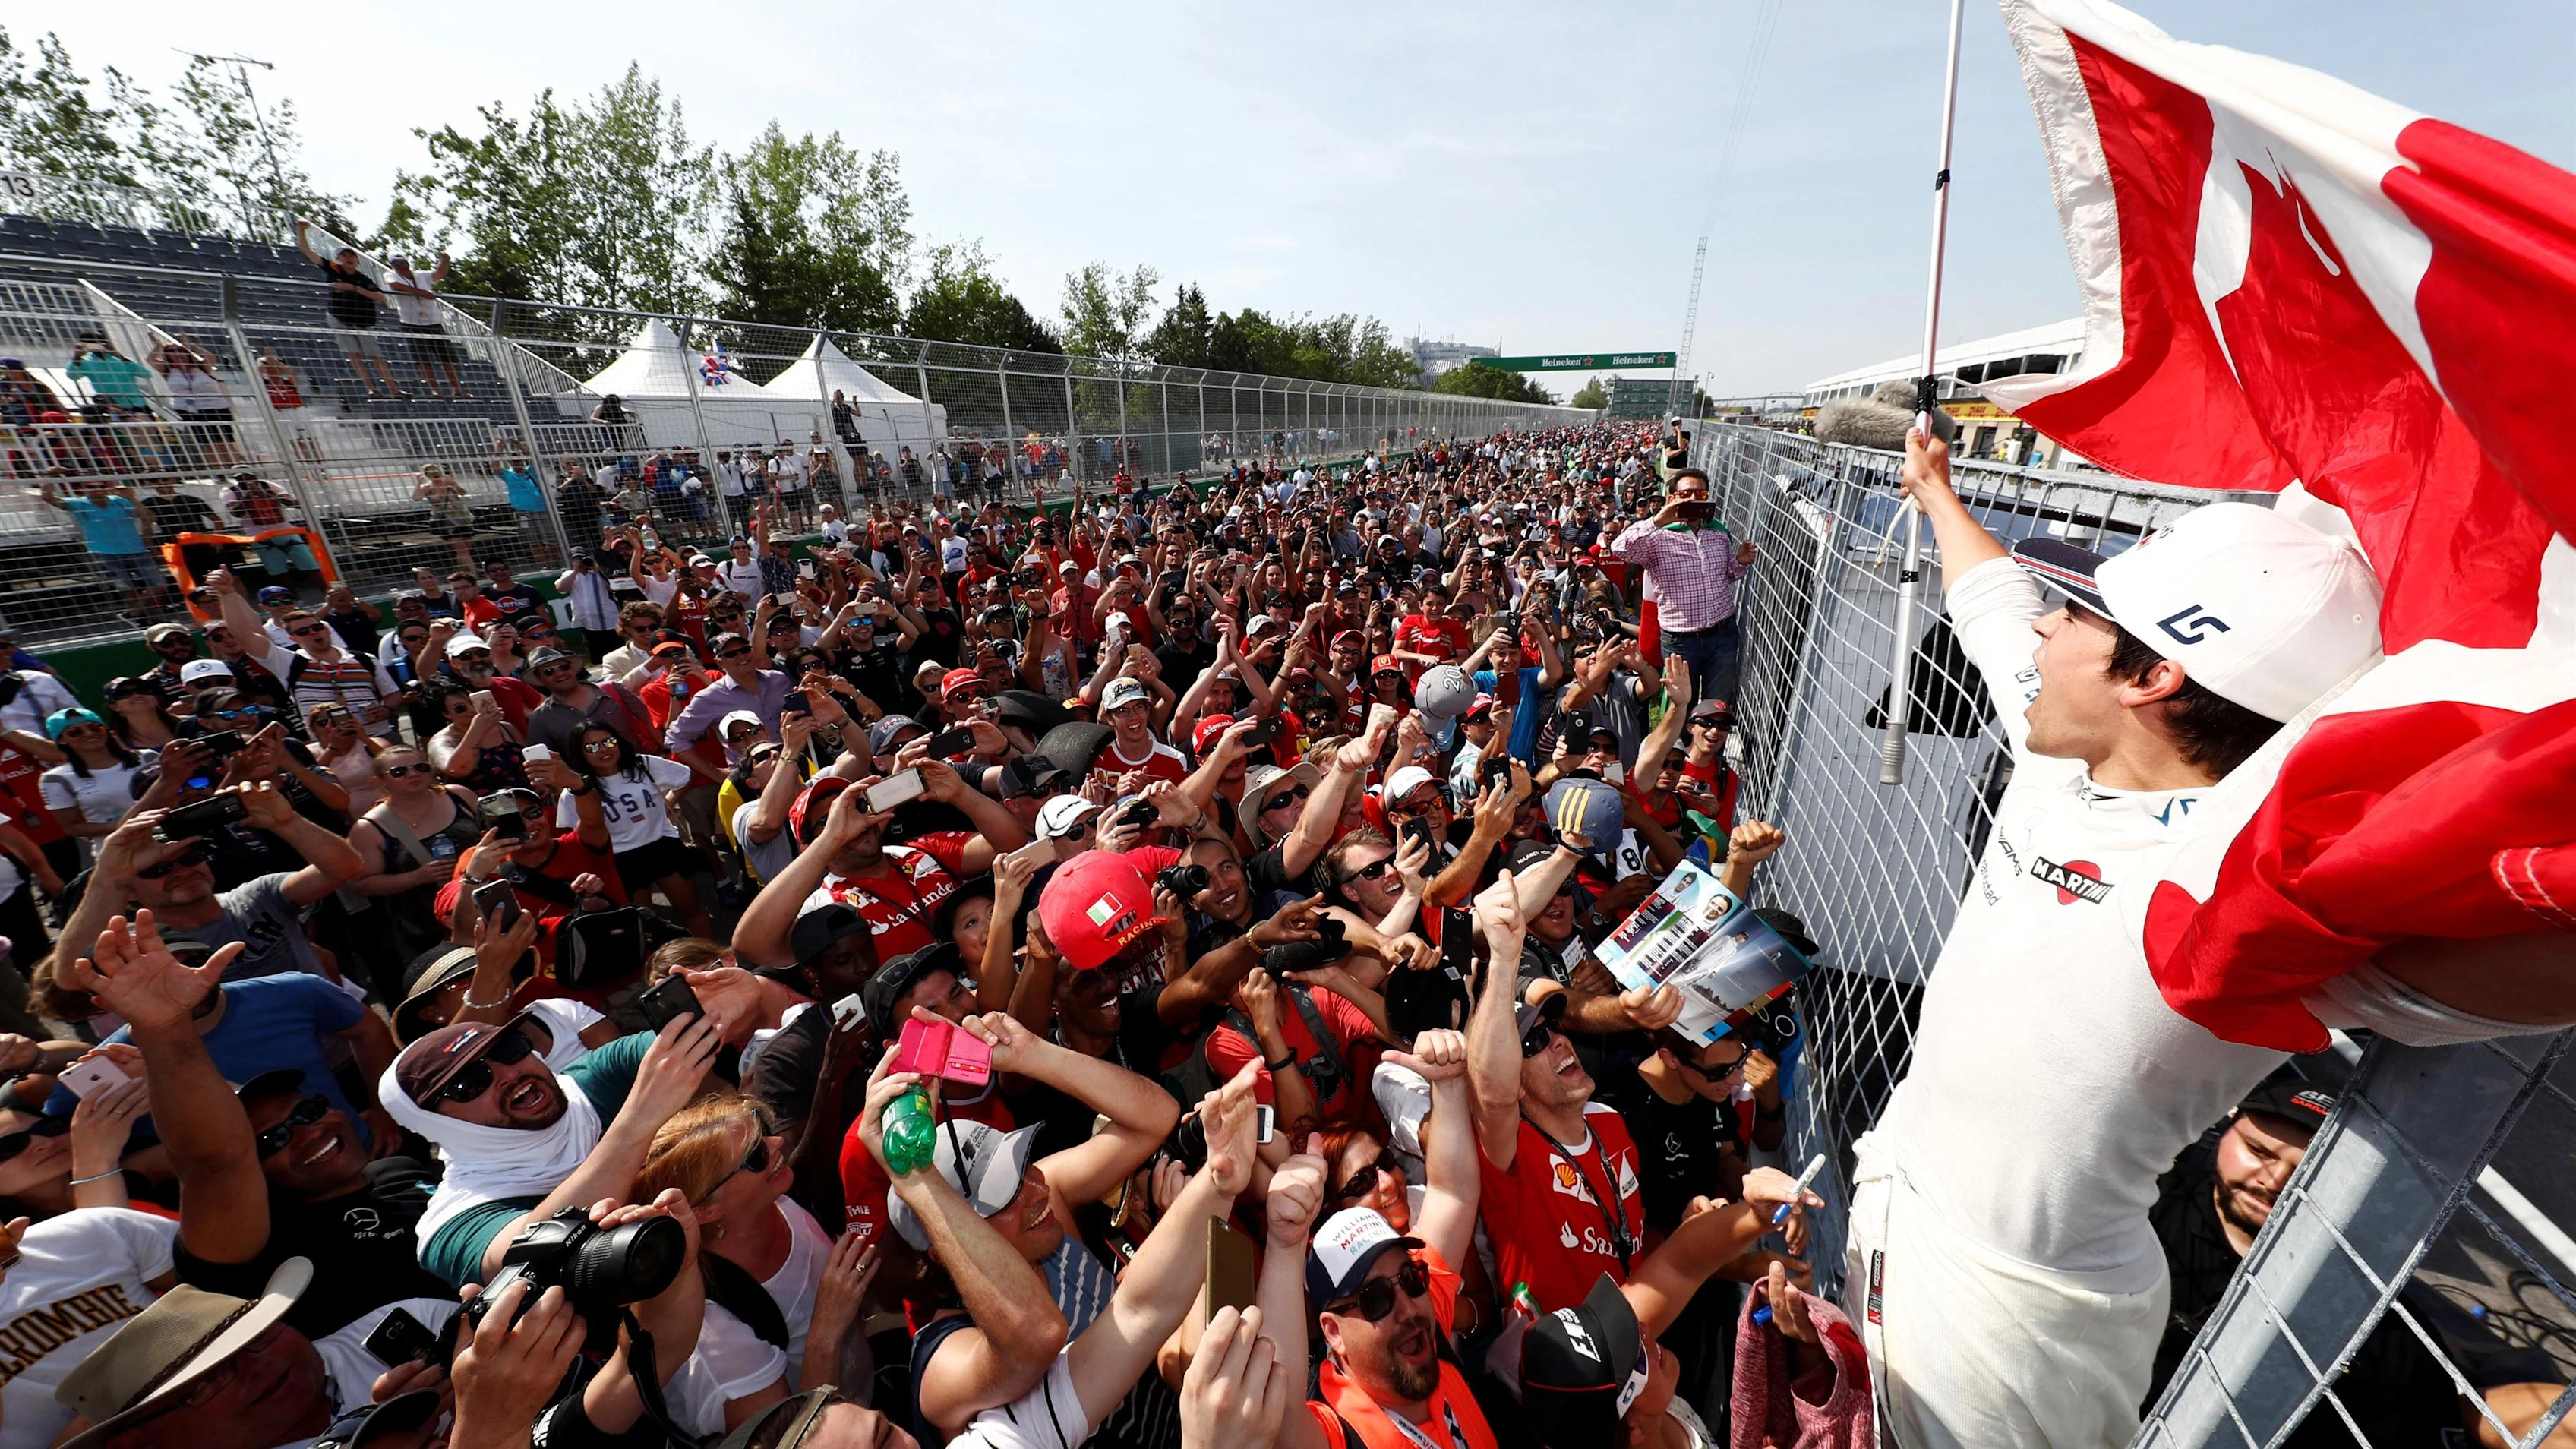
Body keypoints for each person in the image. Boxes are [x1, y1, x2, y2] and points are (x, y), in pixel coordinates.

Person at [1848, 428, 2387, 1447]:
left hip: (2009, 1342)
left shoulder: (2259, 896)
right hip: (1897, 1232)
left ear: (2153, 679)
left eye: (2080, 613)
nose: (2046, 629)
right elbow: (1990, 605)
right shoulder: (2072, 757)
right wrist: (1935, 494)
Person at [375, 1003, 721, 1285]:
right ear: (435, 1123)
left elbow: (719, 1018)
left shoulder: (594, 1079)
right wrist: (638, 1121)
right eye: (469, 1082)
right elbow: (531, 1250)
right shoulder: (453, 1224)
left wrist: (723, 992)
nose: (509, 1075)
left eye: (509, 1049)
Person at [1608, 469, 1754, 706]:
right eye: (1686, 494)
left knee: (1716, 705)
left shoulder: (1718, 531)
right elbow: (1619, 548)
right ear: (1672, 498)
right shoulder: (1656, 538)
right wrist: (1657, 520)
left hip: (1722, 634)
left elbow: (1728, 574)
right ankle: (1680, 743)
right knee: (1680, 706)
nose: (1694, 499)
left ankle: (1710, 743)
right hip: (1680, 640)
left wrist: (1739, 561)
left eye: (1700, 493)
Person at [558, 721, 716, 938]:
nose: (604, 749)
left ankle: (714, 959)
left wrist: (665, 804)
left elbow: (685, 776)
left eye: (608, 741)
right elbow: (575, 835)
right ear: (580, 753)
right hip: (619, 859)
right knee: (642, 922)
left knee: (692, 908)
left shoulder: (642, 764)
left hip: (662, 846)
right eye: (592, 747)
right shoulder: (577, 790)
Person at [33, 478, 168, 622]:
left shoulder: (119, 501)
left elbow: (150, 517)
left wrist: (132, 498)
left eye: (101, 486)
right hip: (105, 553)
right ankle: (149, 621)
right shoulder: (80, 504)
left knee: (160, 585)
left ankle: (133, 614)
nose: (97, 489)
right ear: (83, 489)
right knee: (129, 590)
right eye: (91, 486)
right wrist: (50, 477)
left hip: (136, 550)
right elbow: (48, 498)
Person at [293, 219, 402, 398]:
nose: (349, 258)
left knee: (376, 355)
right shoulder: (334, 269)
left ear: (357, 260)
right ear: (339, 259)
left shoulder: (364, 279)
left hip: (362, 321)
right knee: (354, 354)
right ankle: (371, 389)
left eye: (352, 256)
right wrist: (301, 230)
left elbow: (381, 298)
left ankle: (394, 390)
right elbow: (307, 251)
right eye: (344, 256)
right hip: (340, 317)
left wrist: (355, 288)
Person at [382, 253, 463, 399]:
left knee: (447, 357)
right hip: (411, 323)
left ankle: (457, 389)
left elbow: (439, 274)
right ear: (392, 266)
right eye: (397, 263)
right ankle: (435, 390)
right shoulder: (391, 275)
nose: (401, 266)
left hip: (433, 321)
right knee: (422, 359)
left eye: (403, 262)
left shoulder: (421, 275)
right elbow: (395, 285)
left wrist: (445, 260)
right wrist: (421, 292)